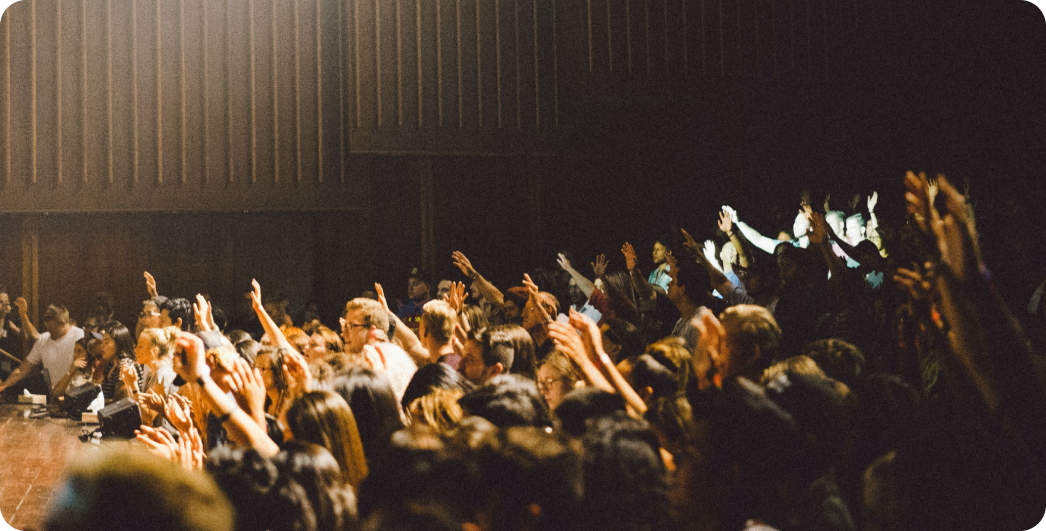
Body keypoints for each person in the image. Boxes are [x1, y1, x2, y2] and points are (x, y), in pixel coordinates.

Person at [0, 304, 85, 395]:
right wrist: (3, 386)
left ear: (62, 323)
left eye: (51, 328)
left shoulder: (79, 335)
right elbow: (22, 370)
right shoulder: (44, 339)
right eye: (47, 327)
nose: (48, 331)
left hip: (76, 394)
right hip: (54, 395)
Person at [396, 267, 432, 333]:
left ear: (427, 287)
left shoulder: (433, 308)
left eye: (416, 284)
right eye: (409, 284)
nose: (410, 288)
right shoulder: (404, 309)